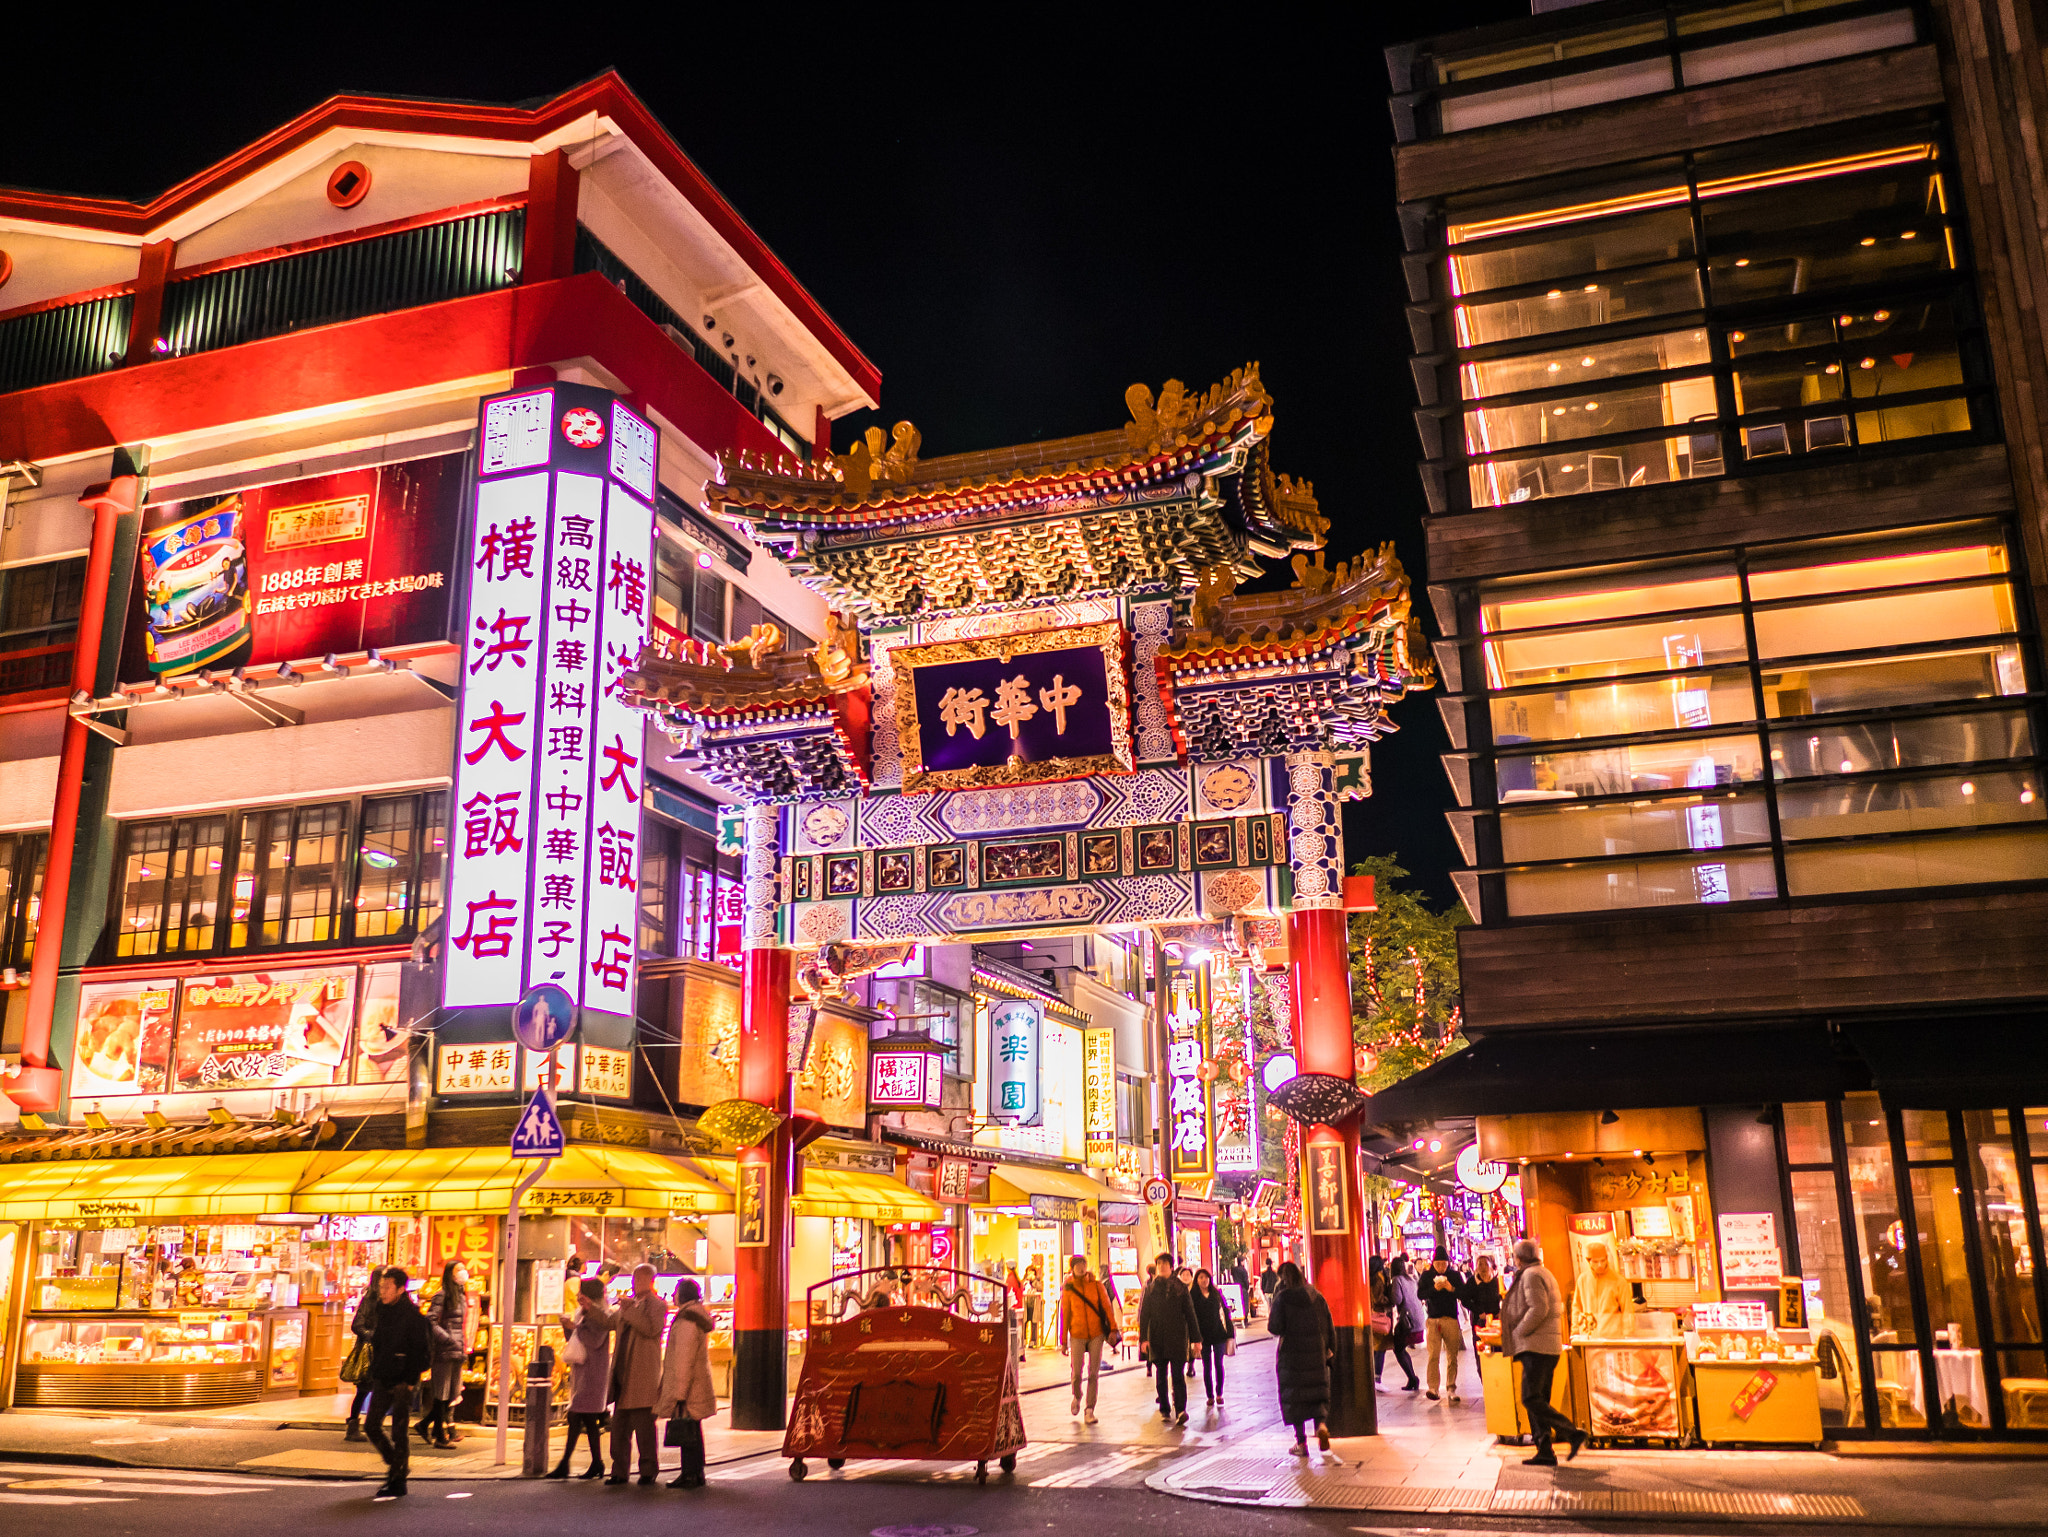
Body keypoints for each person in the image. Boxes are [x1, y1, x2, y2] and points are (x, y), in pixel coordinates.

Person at [1500, 1238, 1584, 1466]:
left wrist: (1518, 1331)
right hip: (1548, 1347)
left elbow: (1538, 1308)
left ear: (1518, 1258)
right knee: (1539, 1400)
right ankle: (1545, 1450)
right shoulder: (1543, 1272)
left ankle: (1571, 1432)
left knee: (1530, 1398)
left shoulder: (1531, 1275)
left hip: (1536, 1347)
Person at [362, 1268, 432, 1500]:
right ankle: (397, 1465)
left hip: (404, 1380)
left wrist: (411, 1380)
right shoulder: (381, 1311)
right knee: (371, 1425)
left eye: (387, 1287)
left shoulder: (413, 1317)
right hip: (383, 1375)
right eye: (381, 1287)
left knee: (399, 1432)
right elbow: (379, 1343)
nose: (382, 1291)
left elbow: (422, 1351)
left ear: (401, 1290)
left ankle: (398, 1479)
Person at [606, 1263, 667, 1485]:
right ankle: (619, 1471)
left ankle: (648, 1470)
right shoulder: (630, 1305)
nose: (634, 1282)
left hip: (642, 1378)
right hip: (623, 1376)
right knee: (618, 1430)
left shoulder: (657, 1305)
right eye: (633, 1278)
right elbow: (609, 1322)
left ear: (649, 1280)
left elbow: (651, 1329)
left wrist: (630, 1310)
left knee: (644, 1430)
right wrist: (590, 1309)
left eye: (638, 1278)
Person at [545, 1277, 612, 1480]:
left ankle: (568, 1463)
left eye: (582, 1293)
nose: (578, 1296)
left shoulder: (602, 1315)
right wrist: (569, 1326)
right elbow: (574, 1338)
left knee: (578, 1416)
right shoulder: (582, 1312)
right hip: (581, 1370)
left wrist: (576, 1328)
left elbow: (594, 1339)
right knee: (586, 1418)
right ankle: (594, 1463)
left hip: (594, 1371)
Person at [1268, 1261, 1335, 1454]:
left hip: (1291, 1356)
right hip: (1316, 1353)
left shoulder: (1282, 1298)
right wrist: (1330, 1348)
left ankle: (1301, 1443)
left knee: (1295, 1398)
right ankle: (1321, 1425)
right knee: (1317, 1394)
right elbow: (1327, 1323)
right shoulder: (1316, 1296)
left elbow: (1274, 1328)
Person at [655, 1278, 717, 1489]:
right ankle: (695, 1472)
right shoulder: (695, 1317)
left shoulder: (686, 1321)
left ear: (683, 1295)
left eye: (675, 1291)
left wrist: (679, 1393)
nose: (673, 1296)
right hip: (696, 1384)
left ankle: (690, 1473)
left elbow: (683, 1358)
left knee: (687, 1429)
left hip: (688, 1388)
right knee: (693, 1429)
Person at [1137, 1253, 1199, 1426]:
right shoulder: (1151, 1288)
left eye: (1165, 1264)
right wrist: (1143, 1339)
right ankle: (1164, 1407)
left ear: (1171, 1267)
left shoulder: (1180, 1288)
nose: (1162, 1266)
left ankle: (1180, 1410)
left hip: (1178, 1337)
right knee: (1161, 1374)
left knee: (1178, 1375)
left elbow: (1190, 1314)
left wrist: (1196, 1339)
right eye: (1159, 1264)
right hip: (1157, 1337)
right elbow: (1145, 1315)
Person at [1060, 1255, 1116, 1423]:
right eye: (1077, 1266)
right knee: (1076, 1372)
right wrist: (1064, 1341)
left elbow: (1106, 1306)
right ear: (1072, 1269)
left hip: (1096, 1333)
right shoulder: (1068, 1288)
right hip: (1077, 1334)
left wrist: (1113, 1328)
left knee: (1093, 1372)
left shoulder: (1096, 1285)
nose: (1081, 1268)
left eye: (1083, 1265)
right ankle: (1077, 1396)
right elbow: (1066, 1315)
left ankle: (1089, 1409)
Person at [418, 1262, 467, 1447]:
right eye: (459, 1270)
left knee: (453, 1392)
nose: (463, 1273)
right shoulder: (442, 1295)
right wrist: (446, 1339)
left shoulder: (460, 1295)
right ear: (450, 1274)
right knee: (442, 1392)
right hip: (444, 1350)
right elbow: (430, 1320)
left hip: (457, 1350)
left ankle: (424, 1425)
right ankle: (439, 1435)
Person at [1422, 1251, 1471, 1402]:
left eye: (1444, 1264)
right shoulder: (1426, 1276)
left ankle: (1451, 1388)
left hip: (1451, 1319)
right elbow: (1420, 1294)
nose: (1441, 1267)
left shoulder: (1455, 1276)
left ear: (1448, 1263)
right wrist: (1434, 1289)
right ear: (1433, 1264)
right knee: (1433, 1355)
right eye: (1438, 1264)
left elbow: (1464, 1294)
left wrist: (1451, 1289)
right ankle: (1433, 1388)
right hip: (1433, 1320)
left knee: (1452, 1355)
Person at [344, 1266, 382, 1442]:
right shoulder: (369, 1300)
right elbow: (357, 1325)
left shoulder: (389, 1300)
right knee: (364, 1390)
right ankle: (353, 1427)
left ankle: (372, 1426)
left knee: (380, 1390)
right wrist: (372, 1335)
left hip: (382, 1351)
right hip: (369, 1353)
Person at [1190, 1268, 1236, 1406]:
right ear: (1197, 1280)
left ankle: (1219, 1393)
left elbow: (1225, 1313)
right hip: (1203, 1336)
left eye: (1206, 1277)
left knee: (1219, 1364)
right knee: (1206, 1366)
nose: (1204, 1280)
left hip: (1218, 1334)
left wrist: (1229, 1333)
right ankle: (1209, 1395)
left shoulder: (1216, 1294)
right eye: (1201, 1278)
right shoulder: (1193, 1296)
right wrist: (1194, 1337)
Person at [1384, 1256, 1423, 1391]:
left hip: (1408, 1322)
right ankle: (1412, 1378)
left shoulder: (1396, 1280)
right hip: (1417, 1320)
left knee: (1398, 1349)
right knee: (1400, 1348)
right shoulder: (1410, 1279)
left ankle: (1413, 1378)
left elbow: (1397, 1299)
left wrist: (1388, 1293)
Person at [1464, 1255, 1504, 1355]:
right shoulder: (1472, 1282)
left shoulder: (1497, 1281)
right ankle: (1482, 1370)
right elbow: (1465, 1300)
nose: (1482, 1267)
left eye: (1485, 1264)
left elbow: (1506, 1298)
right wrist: (1478, 1311)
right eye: (1479, 1264)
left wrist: (1502, 1311)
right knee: (1482, 1353)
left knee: (1498, 1351)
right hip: (1480, 1322)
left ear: (1491, 1266)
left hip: (1496, 1322)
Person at [1176, 1267, 1197, 1378]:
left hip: (1191, 1323)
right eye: (1183, 1275)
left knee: (1191, 1346)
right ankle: (1183, 1365)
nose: (1185, 1277)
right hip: (1180, 1324)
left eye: (1188, 1275)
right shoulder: (1176, 1290)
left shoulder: (1194, 1290)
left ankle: (1191, 1365)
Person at [1023, 1260, 1044, 1349]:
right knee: (1024, 1322)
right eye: (1028, 1272)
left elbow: (1040, 1288)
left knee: (1034, 1322)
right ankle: (1023, 1340)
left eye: (1032, 1272)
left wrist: (1033, 1281)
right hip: (1025, 1303)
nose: (1030, 1274)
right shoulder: (1024, 1280)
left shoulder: (1038, 1280)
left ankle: (1033, 1341)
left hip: (1034, 1304)